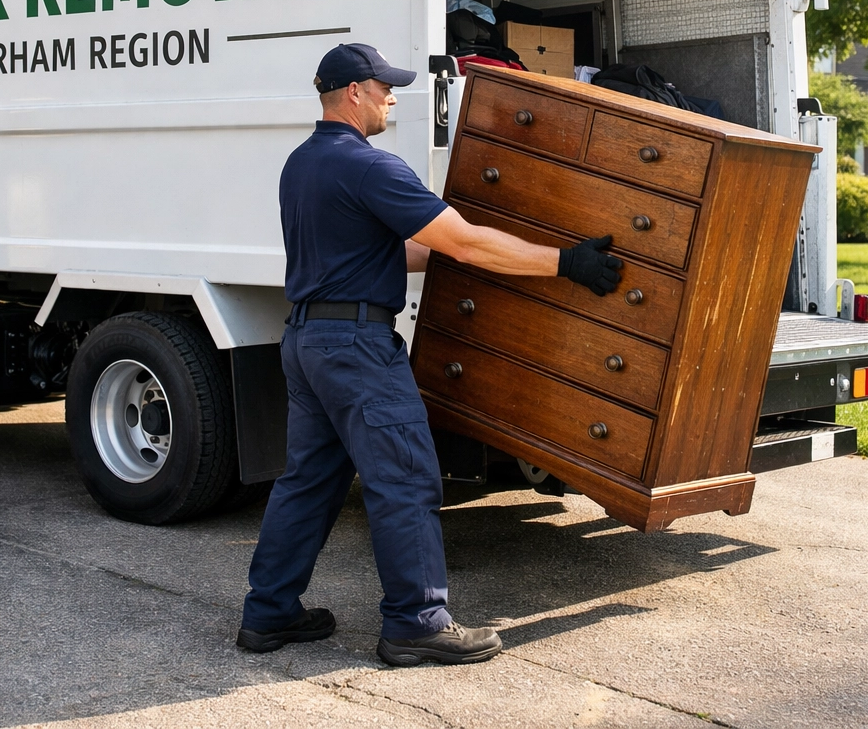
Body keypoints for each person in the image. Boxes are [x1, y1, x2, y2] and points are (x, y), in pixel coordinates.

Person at [237, 43, 623, 667]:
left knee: (307, 482)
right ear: (355, 91)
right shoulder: (370, 167)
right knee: (405, 478)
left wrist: (484, 252)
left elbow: (396, 253)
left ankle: (269, 613)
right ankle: (416, 622)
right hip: (357, 350)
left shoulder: (302, 164)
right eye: (385, 86)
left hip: (308, 342)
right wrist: (563, 263)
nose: (394, 96)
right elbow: (465, 243)